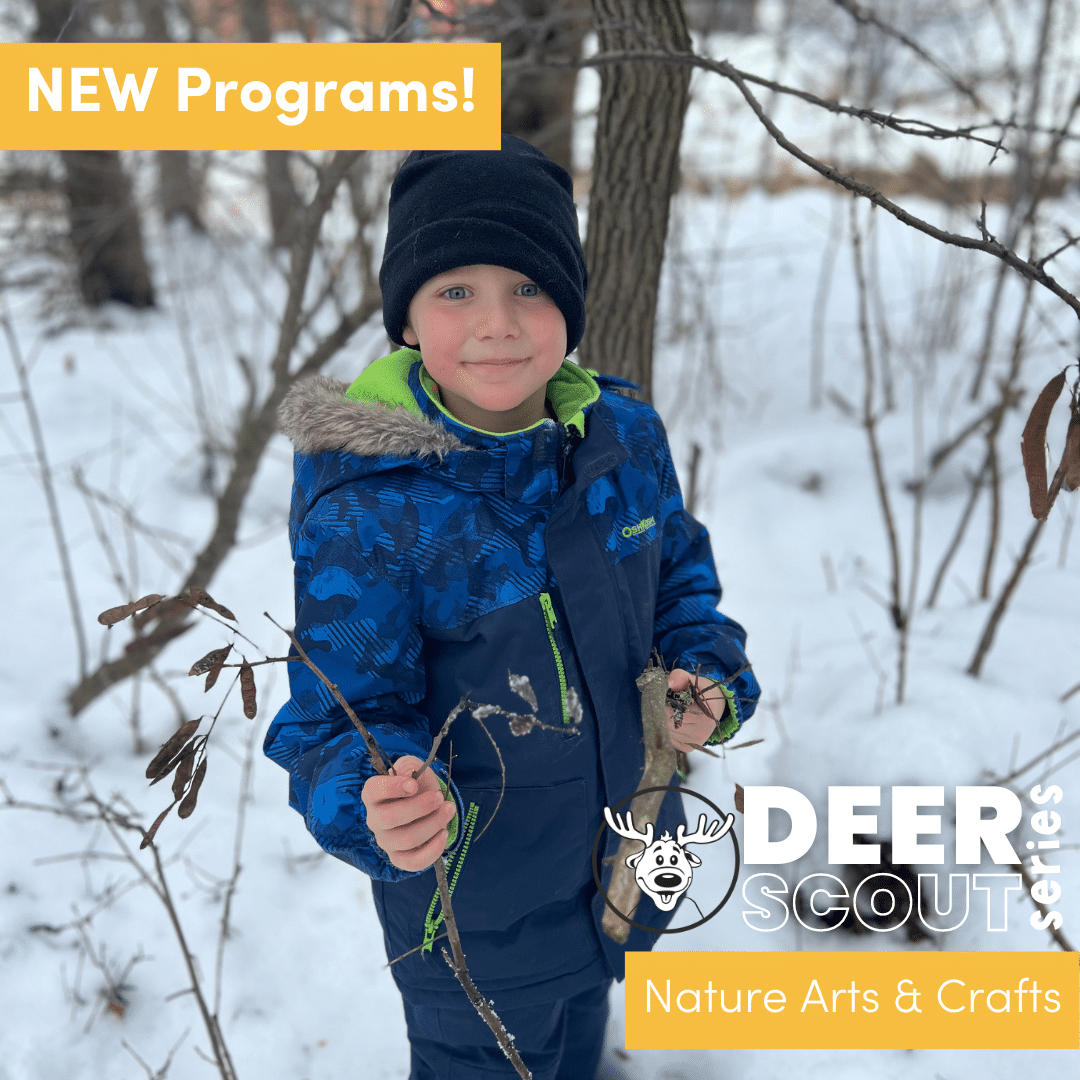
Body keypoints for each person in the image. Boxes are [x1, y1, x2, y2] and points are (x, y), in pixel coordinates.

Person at [264, 135, 760, 1080]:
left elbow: (681, 587)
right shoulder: (375, 509)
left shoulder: (623, 437)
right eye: (456, 290)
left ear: (569, 303)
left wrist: (706, 675)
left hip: (621, 867)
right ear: (407, 320)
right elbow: (339, 718)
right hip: (474, 932)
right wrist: (377, 803)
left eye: (529, 287)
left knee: (579, 1042)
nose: (497, 323)